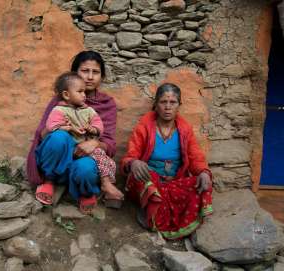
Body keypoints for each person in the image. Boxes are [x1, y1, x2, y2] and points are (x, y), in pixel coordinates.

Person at [26, 50, 124, 213]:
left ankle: (84, 192)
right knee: (58, 138)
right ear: (75, 73)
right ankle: (49, 182)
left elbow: (110, 144)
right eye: (85, 71)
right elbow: (42, 135)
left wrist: (94, 143)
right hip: (57, 159)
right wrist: (61, 130)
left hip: (81, 160)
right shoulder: (60, 101)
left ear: (102, 76)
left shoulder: (107, 104)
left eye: (96, 72)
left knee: (85, 168)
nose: (90, 77)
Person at [121, 83, 213, 239]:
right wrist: (133, 163)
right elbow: (131, 154)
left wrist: (203, 172)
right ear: (156, 105)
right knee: (145, 180)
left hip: (174, 182)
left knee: (202, 182)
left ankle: (162, 214)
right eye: (163, 102)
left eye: (173, 102)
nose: (168, 107)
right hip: (149, 181)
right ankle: (151, 213)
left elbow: (195, 156)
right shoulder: (144, 127)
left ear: (179, 105)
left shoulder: (184, 130)